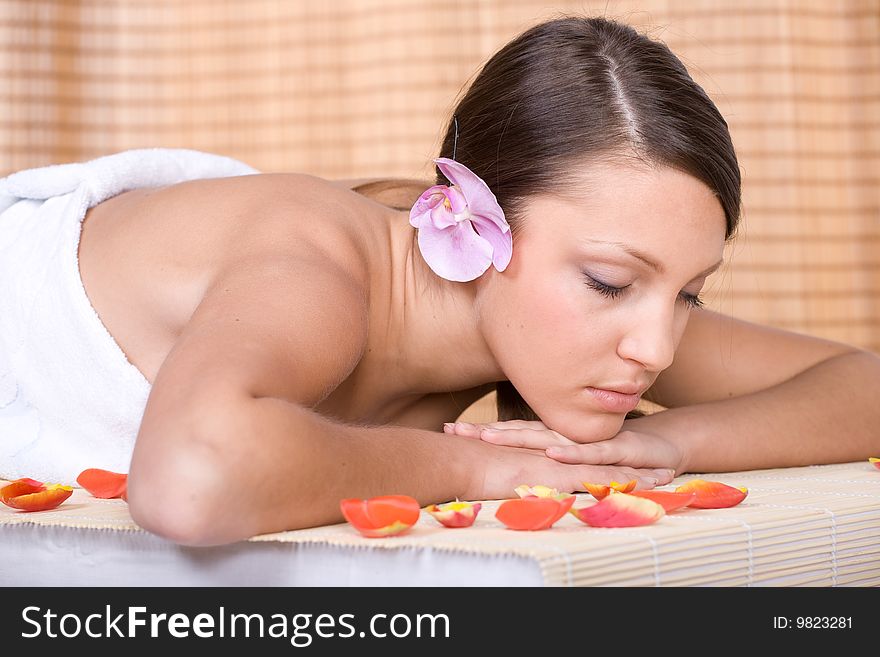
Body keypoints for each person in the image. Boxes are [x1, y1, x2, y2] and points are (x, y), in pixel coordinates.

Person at [1, 16, 877, 547]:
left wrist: (668, 444)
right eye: (611, 282)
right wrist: (475, 469)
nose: (655, 346)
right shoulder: (316, 264)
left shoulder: (574, 325)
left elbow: (863, 385)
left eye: (687, 292)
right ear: (474, 220)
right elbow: (190, 480)